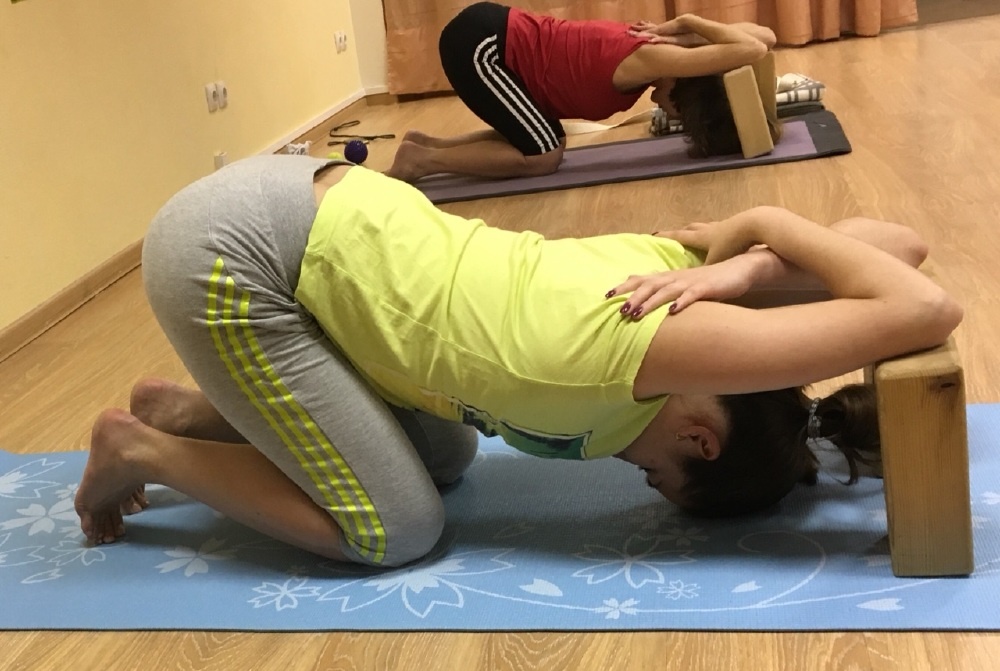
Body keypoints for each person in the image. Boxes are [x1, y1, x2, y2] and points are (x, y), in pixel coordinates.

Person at [74, 155, 962, 567]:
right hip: (231, 257)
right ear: (701, 439)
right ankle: (141, 448)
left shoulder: (694, 286)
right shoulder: (663, 343)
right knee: (393, 531)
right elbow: (923, 301)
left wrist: (749, 263)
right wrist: (764, 225)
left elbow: (895, 243)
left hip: (309, 201)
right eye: (655, 477)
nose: (636, 474)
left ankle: (188, 411)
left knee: (444, 455)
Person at [386, 4, 779, 183]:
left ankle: (428, 144)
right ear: (687, 93)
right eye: (679, 116)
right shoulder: (656, 58)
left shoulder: (663, 53)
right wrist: (687, 21)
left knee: (543, 137)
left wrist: (686, 32)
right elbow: (757, 45)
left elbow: (765, 37)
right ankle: (422, 162)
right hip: (483, 47)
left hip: (491, 37)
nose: (668, 115)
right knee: (544, 156)